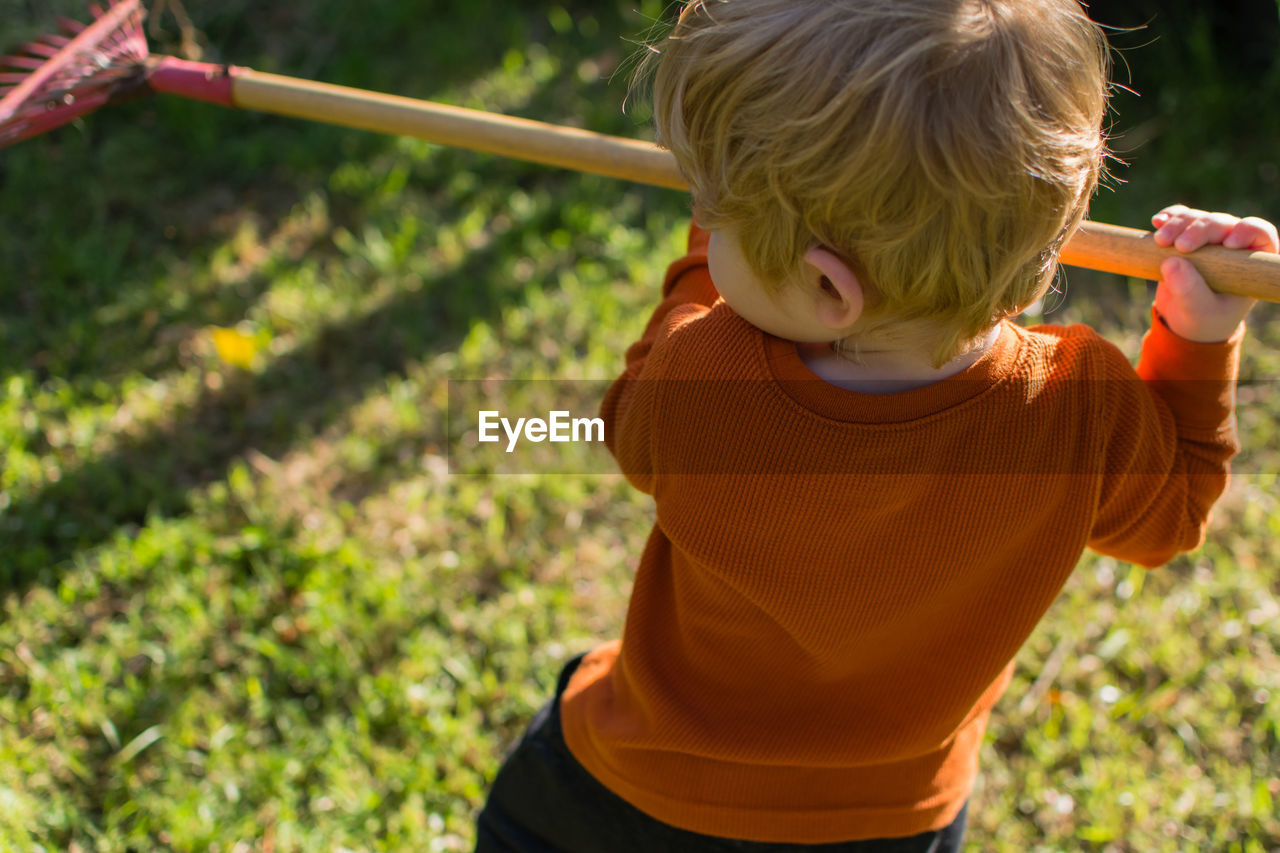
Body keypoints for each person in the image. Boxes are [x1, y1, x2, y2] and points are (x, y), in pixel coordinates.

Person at [474, 0, 1278, 849]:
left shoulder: (706, 377)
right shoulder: (1080, 407)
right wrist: (1199, 336)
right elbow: (1173, 511)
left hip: (636, 792)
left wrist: (693, 272)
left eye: (718, 214)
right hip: (893, 823)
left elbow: (624, 427)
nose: (705, 223)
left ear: (829, 289)